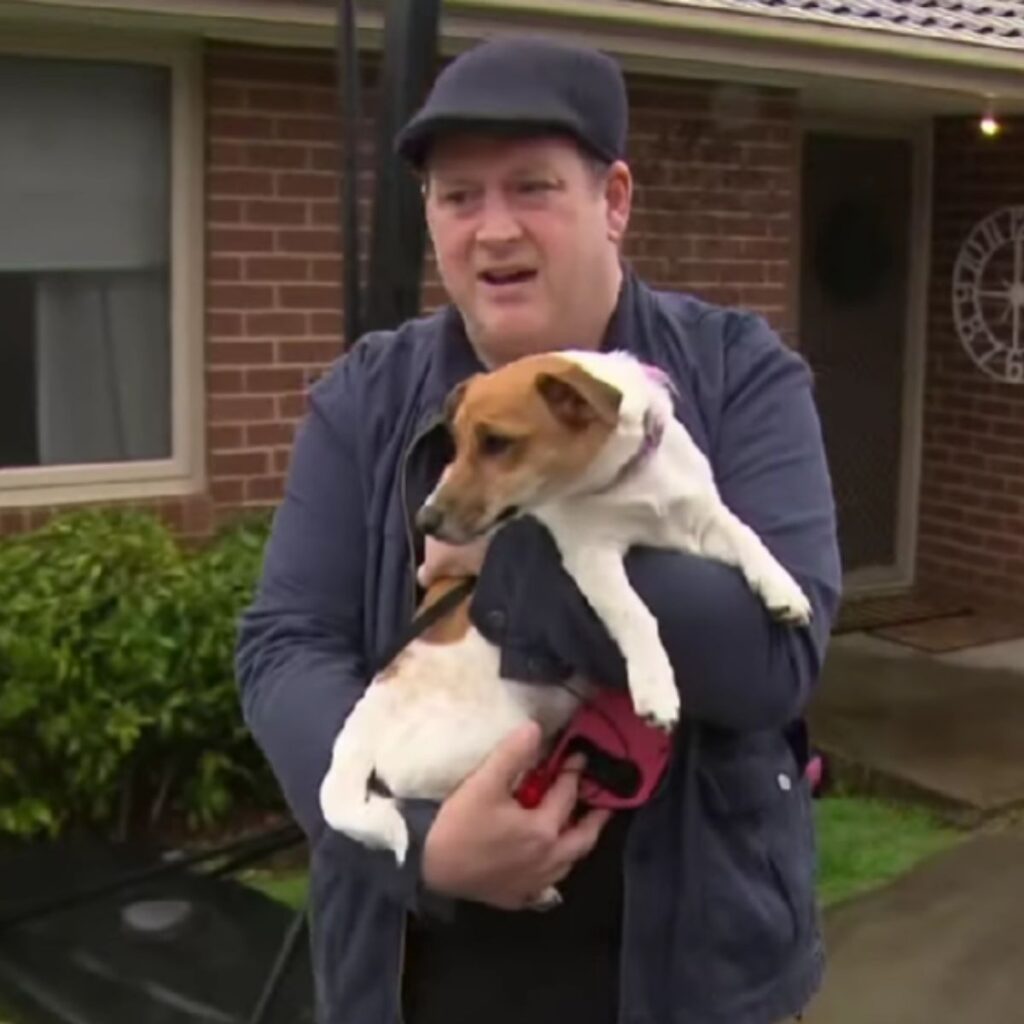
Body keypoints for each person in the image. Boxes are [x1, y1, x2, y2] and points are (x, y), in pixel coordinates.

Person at [235, 34, 842, 1024]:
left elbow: (773, 661)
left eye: (532, 187)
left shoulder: (737, 377)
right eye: (457, 196)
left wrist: (513, 571)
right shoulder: (366, 397)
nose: (492, 229)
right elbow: (284, 645)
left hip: (687, 980)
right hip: (414, 977)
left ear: (613, 200)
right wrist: (422, 841)